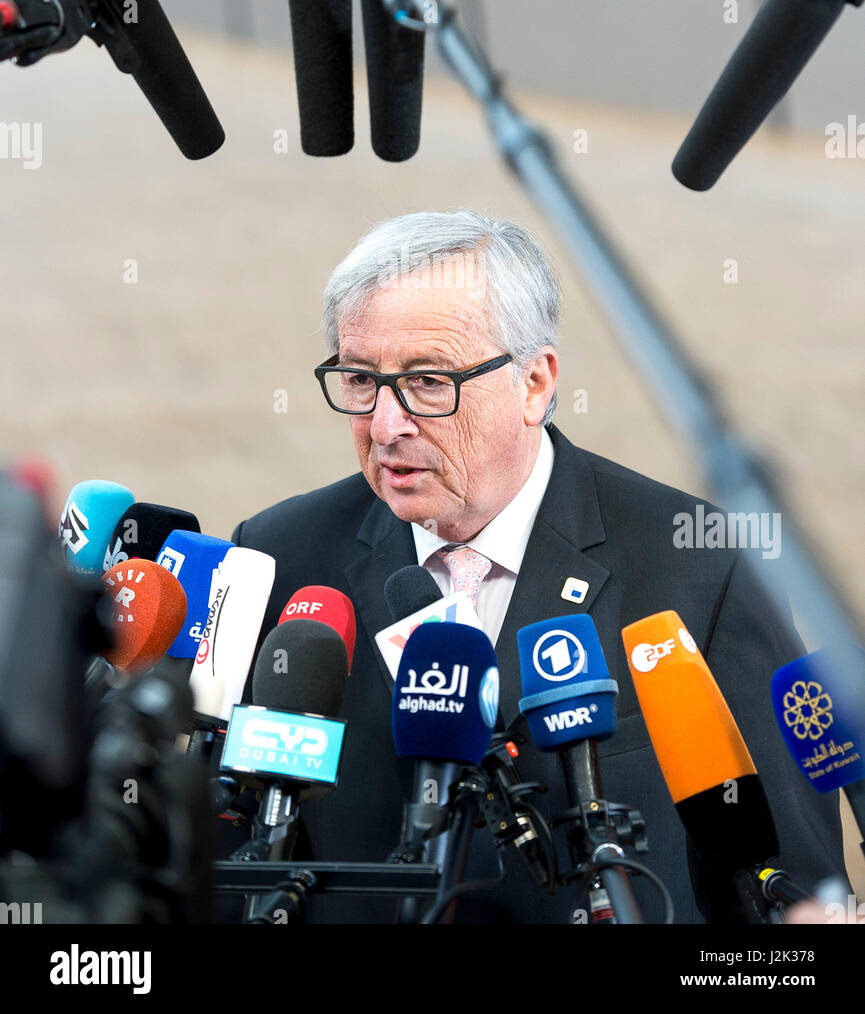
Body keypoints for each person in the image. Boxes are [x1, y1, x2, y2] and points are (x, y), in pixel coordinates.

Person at [231, 210, 846, 924]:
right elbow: (232, 861)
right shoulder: (280, 556)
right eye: (360, 380)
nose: (385, 424)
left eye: (428, 382)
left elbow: (790, 889)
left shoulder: (699, 564)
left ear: (534, 381)